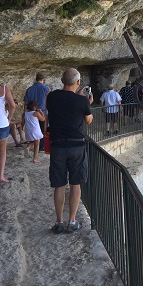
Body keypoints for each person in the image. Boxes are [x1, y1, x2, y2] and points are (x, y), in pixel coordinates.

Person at [46, 68, 93, 234]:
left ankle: (58, 222)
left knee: (59, 185)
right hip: (76, 146)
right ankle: (71, 221)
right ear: (78, 82)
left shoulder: (51, 96)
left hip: (57, 145)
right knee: (75, 184)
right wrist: (86, 102)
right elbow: (88, 120)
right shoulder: (82, 101)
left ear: (61, 80)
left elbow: (59, 107)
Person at [24, 72, 50, 150]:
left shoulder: (29, 89)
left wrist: (25, 113)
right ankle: (41, 147)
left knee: (33, 129)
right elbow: (50, 101)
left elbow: (26, 103)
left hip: (31, 113)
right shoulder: (46, 89)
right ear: (43, 79)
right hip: (43, 112)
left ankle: (32, 146)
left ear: (36, 79)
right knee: (42, 130)